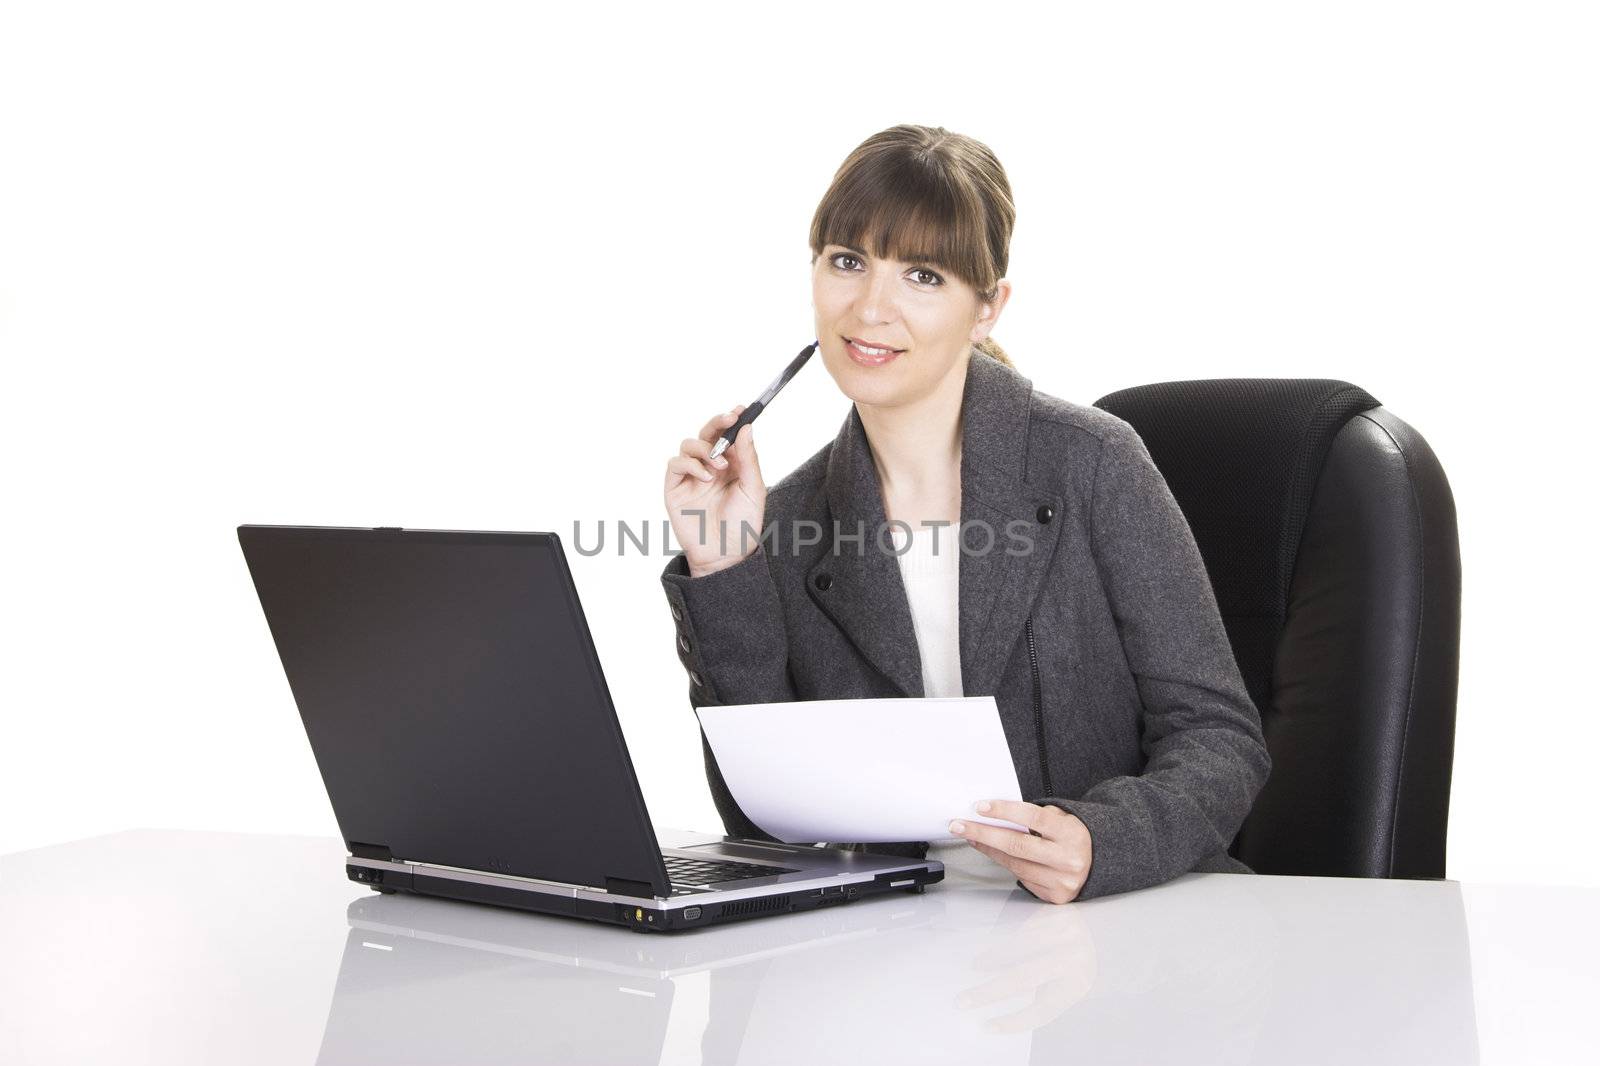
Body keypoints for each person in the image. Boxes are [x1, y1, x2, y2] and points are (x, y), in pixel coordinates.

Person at [659, 124, 1270, 904]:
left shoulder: (1092, 462)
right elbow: (764, 820)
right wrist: (723, 565)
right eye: (847, 262)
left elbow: (1220, 738)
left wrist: (1103, 840)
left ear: (987, 308)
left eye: (923, 274)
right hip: (894, 951)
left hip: (1106, 927)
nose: (871, 308)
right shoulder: (785, 519)